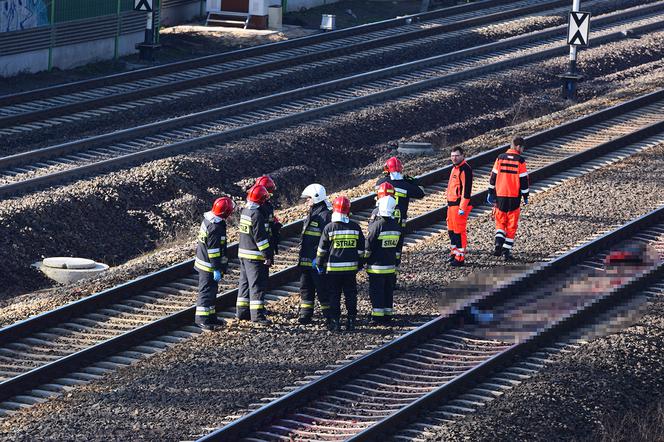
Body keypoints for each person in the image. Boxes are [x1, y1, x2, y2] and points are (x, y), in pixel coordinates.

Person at [315, 196, 366, 332]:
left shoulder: (329, 228)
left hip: (333, 270)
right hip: (350, 270)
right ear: (348, 210)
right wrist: (360, 263)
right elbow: (361, 250)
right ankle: (351, 322)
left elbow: (321, 250)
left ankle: (335, 323)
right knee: (350, 295)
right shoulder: (355, 227)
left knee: (334, 295)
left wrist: (320, 265)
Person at [194, 197, 235, 331]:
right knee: (206, 292)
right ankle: (202, 320)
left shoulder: (209, 220)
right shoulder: (215, 227)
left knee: (211, 291)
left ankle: (210, 316)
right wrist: (216, 268)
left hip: (205, 262)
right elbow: (214, 252)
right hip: (208, 265)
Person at [487, 136, 529, 260]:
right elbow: (524, 180)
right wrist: (525, 195)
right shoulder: (520, 160)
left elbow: (493, 176)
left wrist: (490, 191)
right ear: (518, 147)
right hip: (514, 197)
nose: (523, 150)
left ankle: (498, 243)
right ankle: (506, 251)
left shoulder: (500, 158)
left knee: (500, 220)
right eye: (522, 148)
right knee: (511, 223)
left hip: (500, 195)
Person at [237, 184, 273, 324]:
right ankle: (257, 316)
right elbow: (260, 238)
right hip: (254, 256)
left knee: (244, 284)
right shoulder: (257, 215)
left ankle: (242, 312)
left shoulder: (246, 210)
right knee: (257, 285)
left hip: (244, 254)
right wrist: (267, 255)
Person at [298, 183, 332, 324]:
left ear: (316, 198)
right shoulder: (312, 214)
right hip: (306, 261)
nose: (307, 201)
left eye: (308, 199)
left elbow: (327, 241)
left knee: (322, 290)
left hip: (317, 262)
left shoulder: (325, 216)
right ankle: (305, 315)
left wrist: (321, 259)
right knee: (306, 289)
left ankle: (329, 316)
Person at [365, 195, 402, 324]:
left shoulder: (377, 226)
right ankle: (388, 314)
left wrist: (364, 259)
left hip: (376, 267)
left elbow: (369, 245)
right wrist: (396, 262)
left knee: (376, 291)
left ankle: (378, 316)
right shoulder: (397, 226)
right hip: (390, 266)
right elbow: (398, 248)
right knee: (387, 291)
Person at [375, 156, 425, 228]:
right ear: (400, 169)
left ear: (387, 169)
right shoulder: (406, 185)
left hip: (381, 219)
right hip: (399, 221)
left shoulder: (379, 183)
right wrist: (412, 180)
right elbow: (421, 193)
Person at [446, 146, 473, 267]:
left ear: (462, 155)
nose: (454, 158)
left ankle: (460, 257)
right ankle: (454, 254)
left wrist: (462, 208)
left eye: (456, 155)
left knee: (459, 232)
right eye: (452, 156)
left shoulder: (465, 169)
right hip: (451, 205)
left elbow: (466, 191)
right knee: (452, 231)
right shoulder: (455, 168)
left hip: (458, 206)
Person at [255, 175, 283, 256]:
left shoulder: (265, 205)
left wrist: (275, 222)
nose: (270, 196)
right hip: (261, 248)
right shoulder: (259, 207)